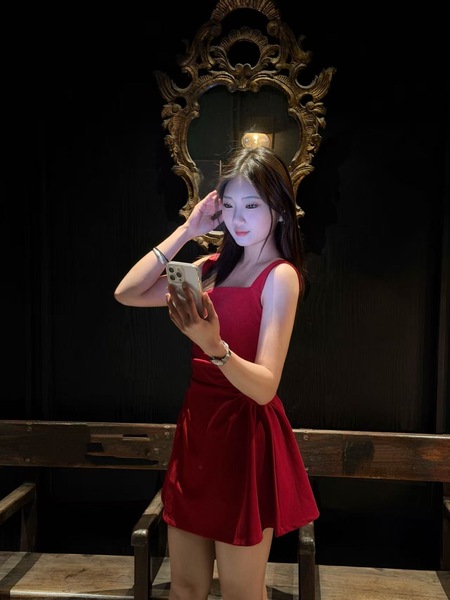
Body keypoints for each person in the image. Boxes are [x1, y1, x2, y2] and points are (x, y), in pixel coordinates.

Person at [114, 146, 319, 600]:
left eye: (252, 206)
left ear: (279, 210)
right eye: (229, 205)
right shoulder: (209, 269)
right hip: (198, 433)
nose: (237, 219)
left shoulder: (281, 276)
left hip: (244, 438)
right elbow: (128, 292)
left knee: (241, 591)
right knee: (185, 587)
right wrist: (187, 230)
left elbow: (265, 388)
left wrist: (214, 347)